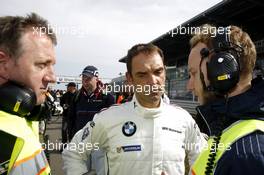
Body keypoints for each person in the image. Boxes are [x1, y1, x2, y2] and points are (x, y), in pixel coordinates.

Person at [62, 43, 206, 175]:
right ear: (130, 78)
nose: (153, 81)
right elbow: (73, 152)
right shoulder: (108, 119)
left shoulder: (182, 119)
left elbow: (202, 157)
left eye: (158, 72)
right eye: (142, 75)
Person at [187, 24, 264, 175]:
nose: (189, 86)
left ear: (222, 72)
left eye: (194, 73)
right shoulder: (226, 129)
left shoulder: (246, 156)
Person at [0, 13, 57, 175]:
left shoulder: (25, 115)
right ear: (3, 64)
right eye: (41, 65)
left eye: (52, 65)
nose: (52, 77)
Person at [67, 65, 115, 140]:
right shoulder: (76, 97)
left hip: (99, 143)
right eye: (83, 78)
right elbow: (71, 119)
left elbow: (112, 123)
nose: (85, 81)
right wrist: (71, 138)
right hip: (79, 142)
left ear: (96, 79)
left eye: (89, 78)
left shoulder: (107, 98)